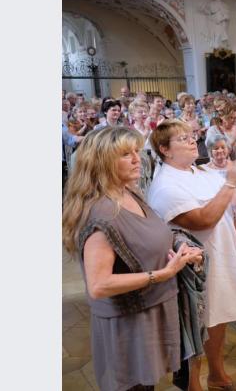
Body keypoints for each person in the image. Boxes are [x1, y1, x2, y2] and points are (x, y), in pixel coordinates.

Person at [62, 127, 204, 391]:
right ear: (102, 163)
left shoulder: (127, 193)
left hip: (150, 311)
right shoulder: (101, 213)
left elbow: (153, 231)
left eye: (137, 152)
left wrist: (180, 245)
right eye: (126, 154)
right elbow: (99, 285)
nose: (138, 159)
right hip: (129, 323)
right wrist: (162, 274)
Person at [148, 119, 236, 391]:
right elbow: (203, 219)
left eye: (192, 136)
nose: (193, 140)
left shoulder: (199, 172)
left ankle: (217, 375)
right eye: (182, 138)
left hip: (221, 256)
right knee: (196, 325)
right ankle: (193, 385)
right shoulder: (166, 185)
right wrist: (230, 181)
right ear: (165, 149)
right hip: (195, 267)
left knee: (218, 318)